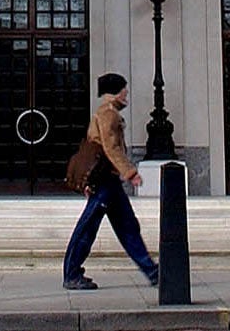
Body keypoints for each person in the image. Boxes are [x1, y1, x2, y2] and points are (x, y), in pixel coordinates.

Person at [62, 72, 159, 291]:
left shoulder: (108, 113)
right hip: (105, 180)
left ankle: (151, 270)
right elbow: (110, 148)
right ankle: (72, 273)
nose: (126, 93)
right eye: (124, 89)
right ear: (115, 91)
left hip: (110, 181)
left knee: (128, 226)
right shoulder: (108, 114)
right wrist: (130, 172)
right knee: (88, 227)